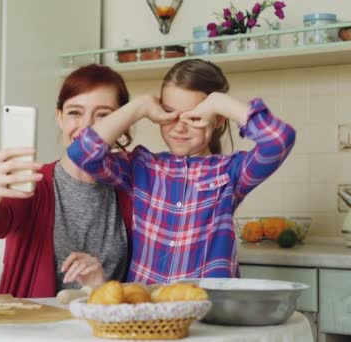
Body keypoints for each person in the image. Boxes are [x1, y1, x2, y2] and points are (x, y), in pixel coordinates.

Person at [68, 59, 296, 284]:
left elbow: (278, 140)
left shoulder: (231, 172)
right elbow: (81, 153)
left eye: (194, 116)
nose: (179, 126)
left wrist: (220, 103)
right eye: (169, 114)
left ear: (217, 120)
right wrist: (140, 107)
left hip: (208, 310)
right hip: (148, 310)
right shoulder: (141, 166)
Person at [0, 64, 134, 298]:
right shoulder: (35, 182)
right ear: (59, 117)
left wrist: (100, 287)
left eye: (103, 116)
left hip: (102, 329)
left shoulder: (129, 191)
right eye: (75, 112)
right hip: (31, 328)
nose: (86, 127)